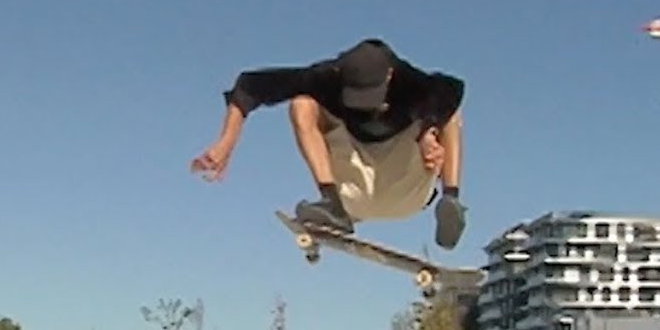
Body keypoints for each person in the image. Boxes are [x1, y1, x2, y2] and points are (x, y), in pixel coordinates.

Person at [190, 38, 467, 250]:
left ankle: (451, 200)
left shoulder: (412, 82)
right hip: (353, 192)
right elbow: (251, 86)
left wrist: (428, 133)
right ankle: (331, 204)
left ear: (390, 75)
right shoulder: (327, 77)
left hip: (406, 185)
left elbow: (452, 90)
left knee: (449, 112)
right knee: (303, 102)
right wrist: (225, 143)